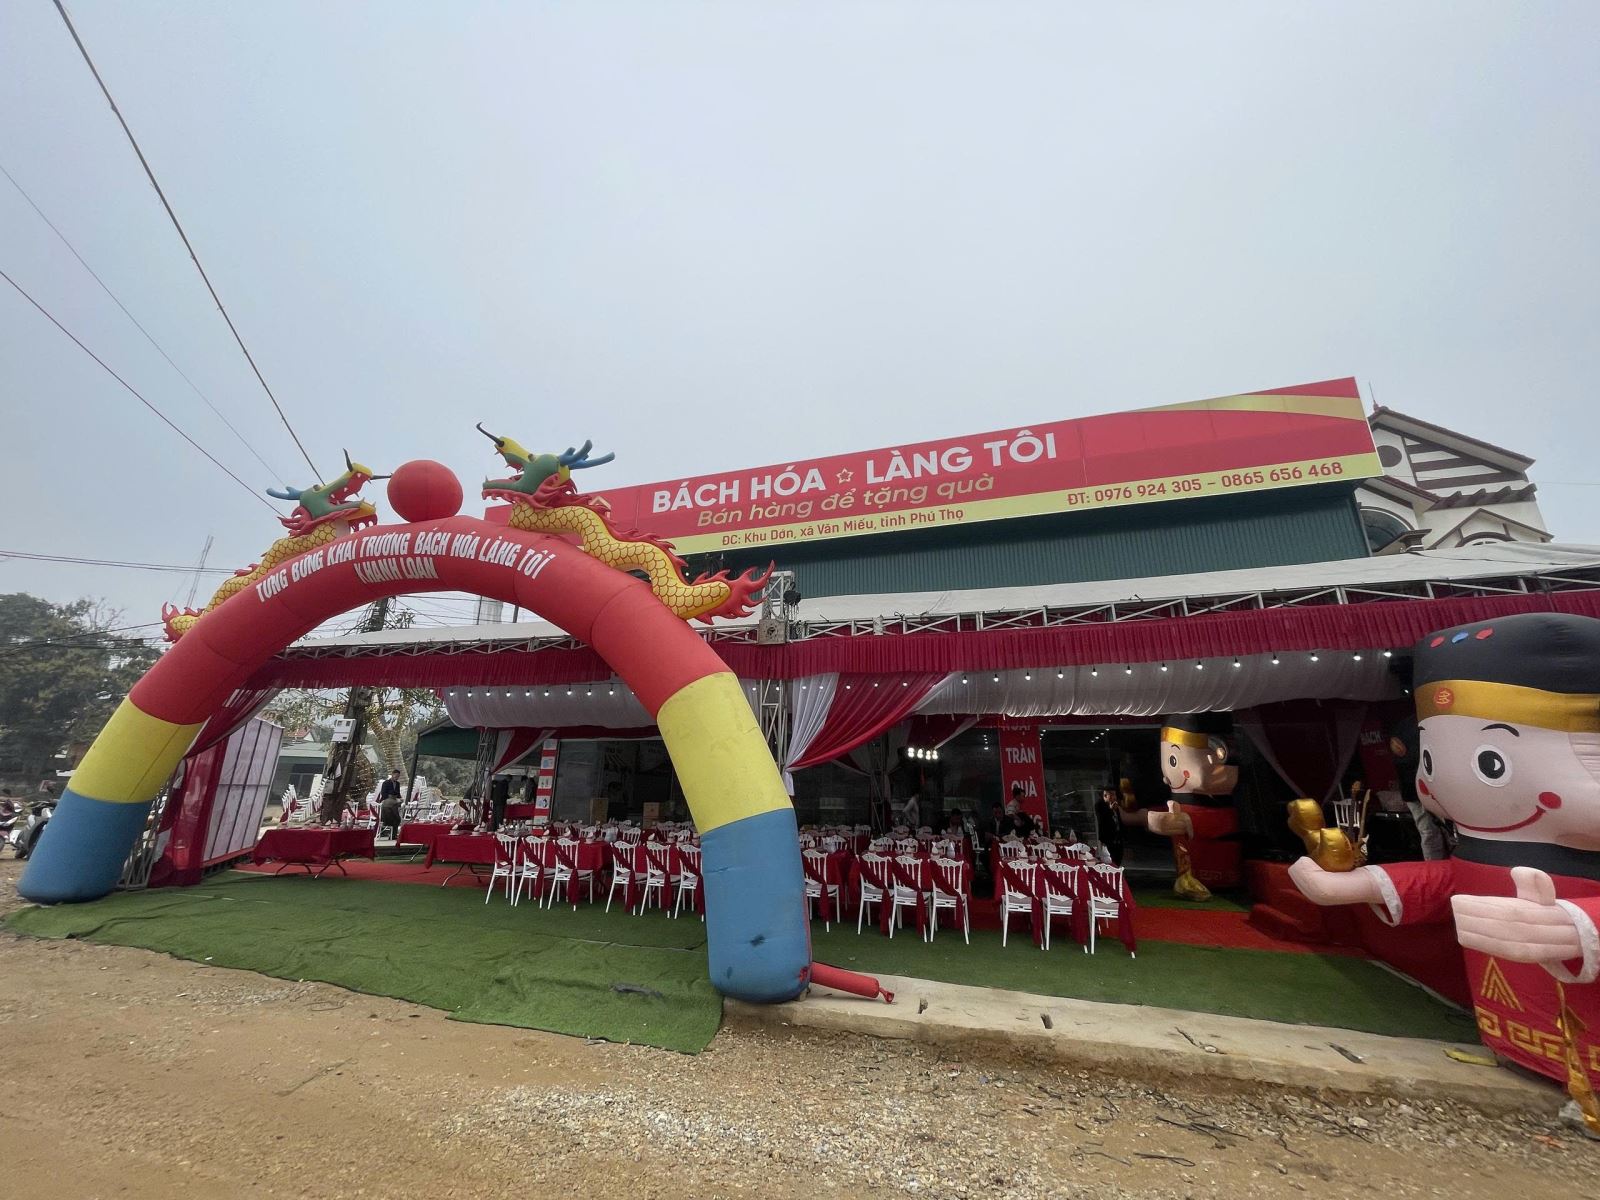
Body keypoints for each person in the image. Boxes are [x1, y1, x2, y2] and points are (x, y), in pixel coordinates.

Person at [1095, 784, 1125, 865]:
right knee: (1109, 862)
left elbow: (1118, 821)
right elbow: (1102, 821)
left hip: (1118, 839)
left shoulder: (1115, 804)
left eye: (1114, 794)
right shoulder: (1100, 805)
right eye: (1111, 795)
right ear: (1105, 795)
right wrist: (1110, 810)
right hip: (1107, 840)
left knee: (1118, 861)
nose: (1114, 797)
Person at [378, 770, 404, 837]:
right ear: (392, 774)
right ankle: (390, 833)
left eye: (398, 776)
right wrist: (390, 799)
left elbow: (398, 793)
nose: (397, 777)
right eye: (396, 776)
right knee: (394, 818)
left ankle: (393, 834)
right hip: (387, 801)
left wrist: (400, 798)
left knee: (397, 817)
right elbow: (383, 793)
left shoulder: (397, 784)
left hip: (394, 802)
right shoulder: (386, 783)